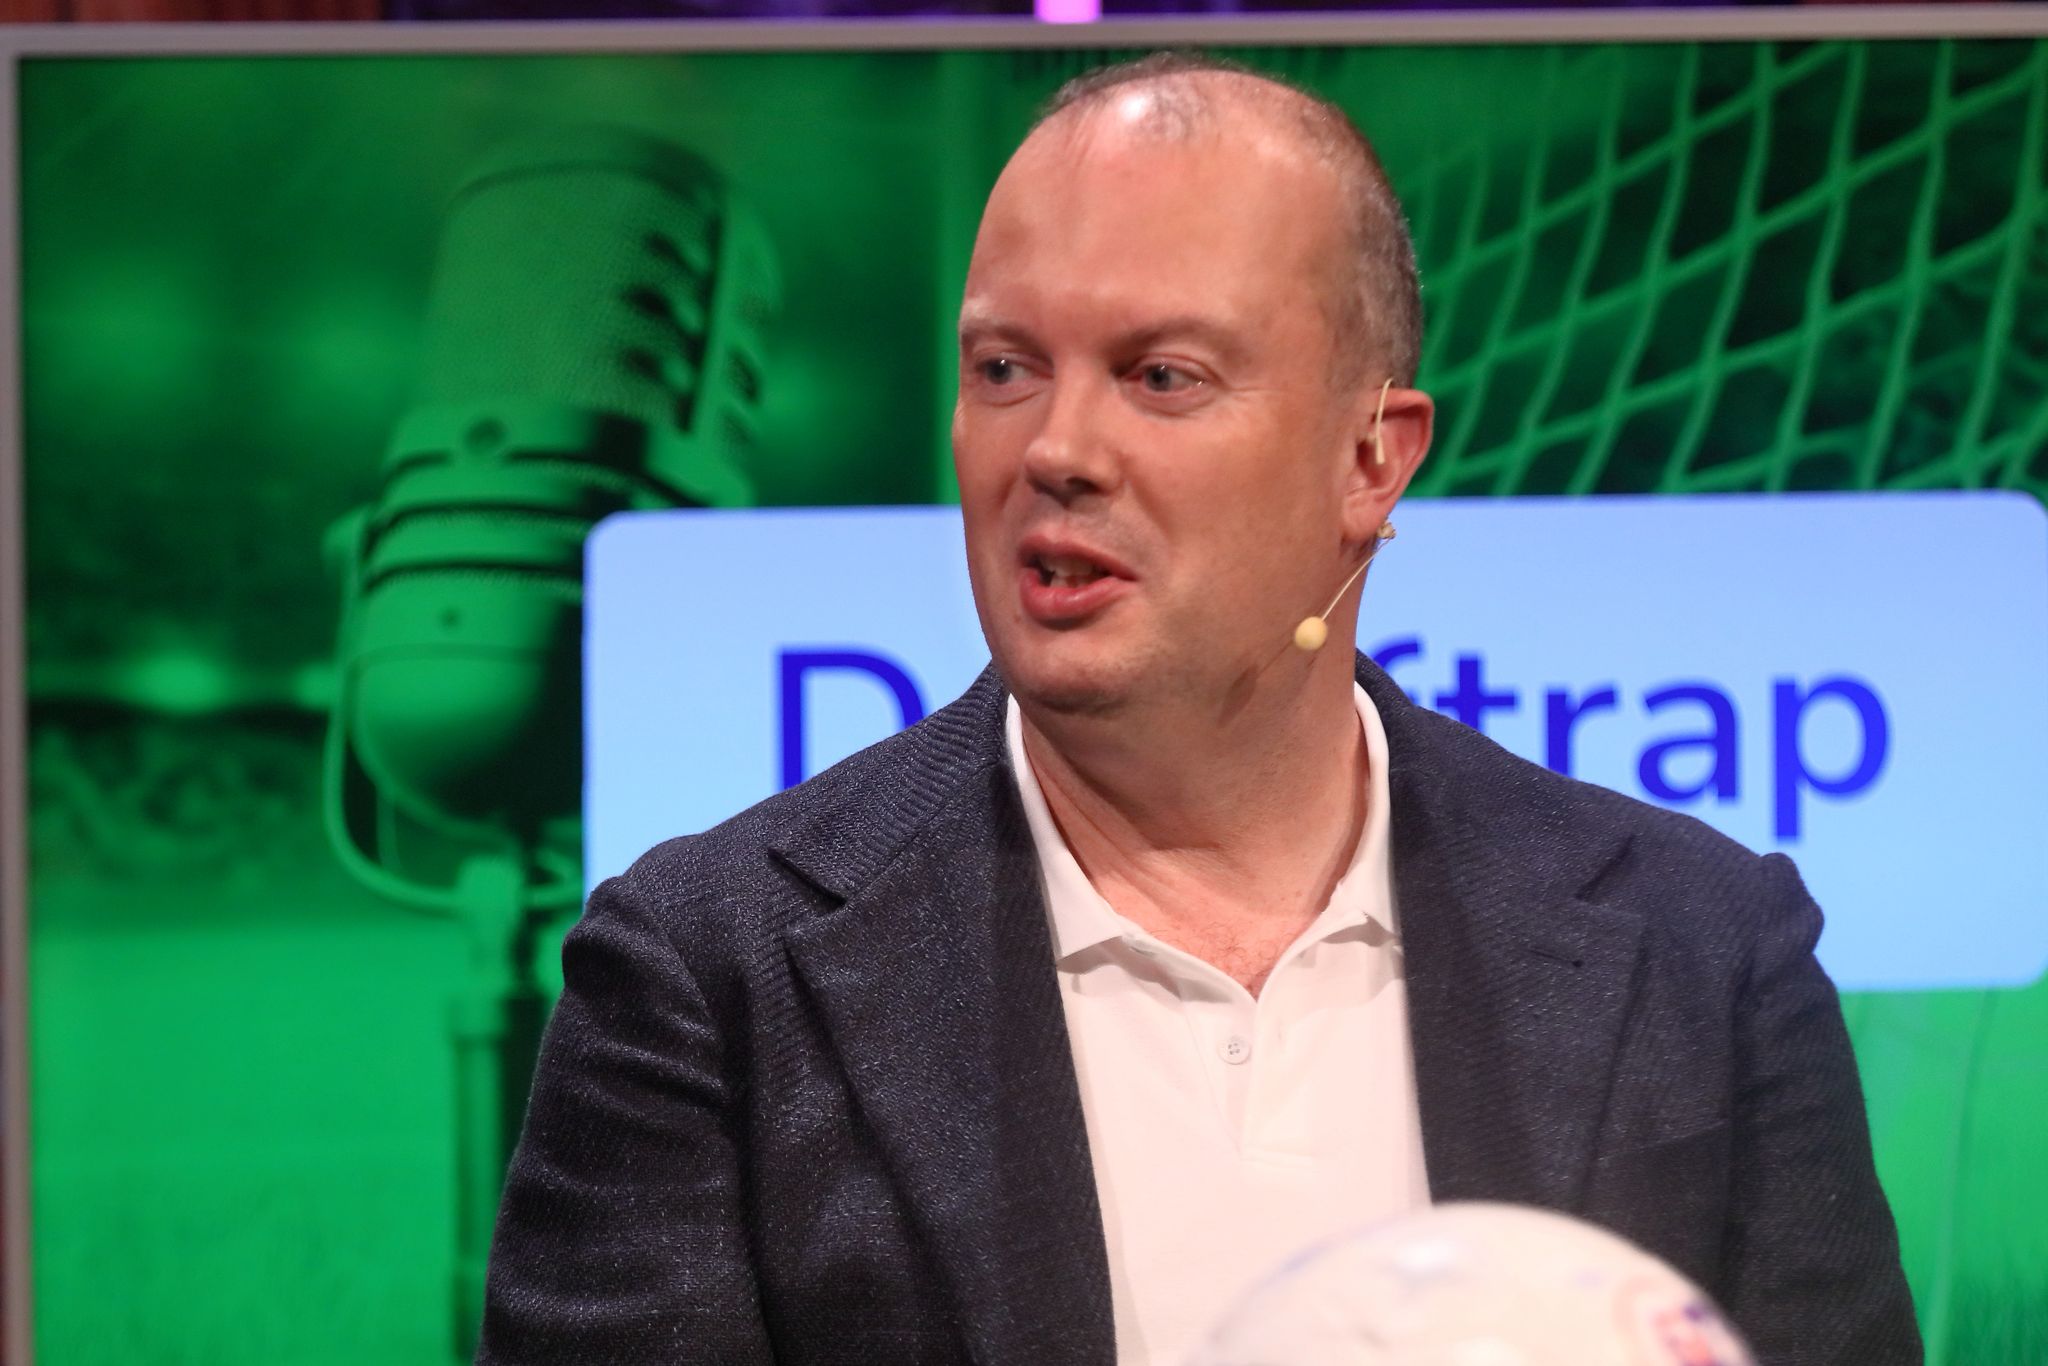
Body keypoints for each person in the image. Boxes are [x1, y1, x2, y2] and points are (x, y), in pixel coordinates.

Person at [477, 53, 1921, 1366]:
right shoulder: (703, 979)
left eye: (1160, 376)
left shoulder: (1707, 952)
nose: (1057, 449)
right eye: (1004, 369)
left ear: (1371, 457)